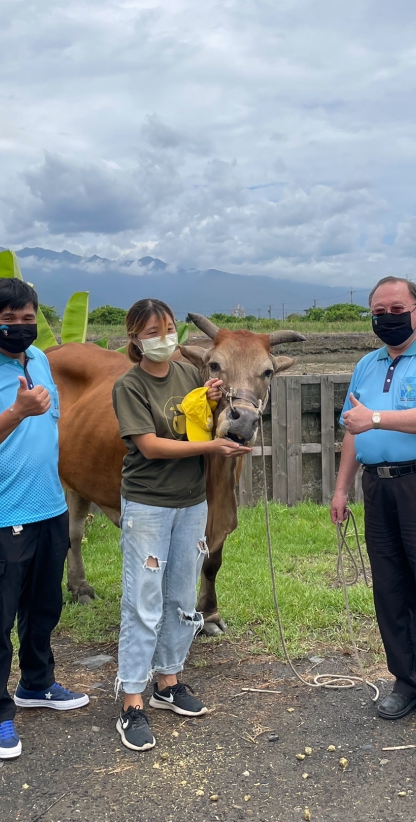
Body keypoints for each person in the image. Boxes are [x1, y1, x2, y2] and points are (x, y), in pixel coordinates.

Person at [0, 278, 88, 762]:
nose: (20, 329)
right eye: (9, 321)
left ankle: (38, 683)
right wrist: (17, 412)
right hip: (0, 516)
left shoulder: (41, 360)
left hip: (50, 508)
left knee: (44, 608)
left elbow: (51, 431)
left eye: (28, 320)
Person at [329, 277, 416, 737]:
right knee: (389, 589)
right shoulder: (366, 365)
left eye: (396, 307)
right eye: (378, 310)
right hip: (379, 487)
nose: (386, 317)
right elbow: (353, 429)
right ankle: (409, 681)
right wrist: (341, 487)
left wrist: (374, 417)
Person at [111, 298, 251, 751]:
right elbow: (149, 446)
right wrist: (211, 449)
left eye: (169, 327)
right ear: (135, 338)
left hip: (192, 504)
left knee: (181, 594)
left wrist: (218, 404)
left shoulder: (190, 374)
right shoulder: (129, 386)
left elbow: (205, 413)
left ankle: (168, 681)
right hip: (149, 505)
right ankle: (132, 699)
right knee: (143, 599)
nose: (164, 337)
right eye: (152, 331)